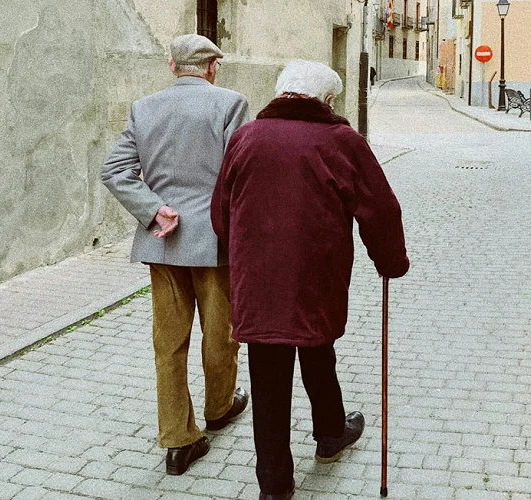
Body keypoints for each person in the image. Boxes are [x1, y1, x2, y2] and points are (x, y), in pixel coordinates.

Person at [210, 60, 410, 500]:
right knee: (318, 349)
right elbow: (381, 209)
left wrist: (244, 248)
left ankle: (276, 484)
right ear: (328, 100)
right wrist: (391, 261)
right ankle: (330, 435)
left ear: (281, 94)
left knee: (267, 376)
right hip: (316, 275)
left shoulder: (245, 138)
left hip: (259, 280)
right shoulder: (341, 140)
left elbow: (220, 212)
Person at [101, 34, 250, 476]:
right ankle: (219, 407)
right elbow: (239, 173)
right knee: (219, 333)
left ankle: (178, 440)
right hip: (215, 242)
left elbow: (114, 171)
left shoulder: (144, 107)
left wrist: (154, 209)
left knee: (168, 343)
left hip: (163, 241)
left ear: (171, 65)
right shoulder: (231, 103)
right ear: (212, 67)